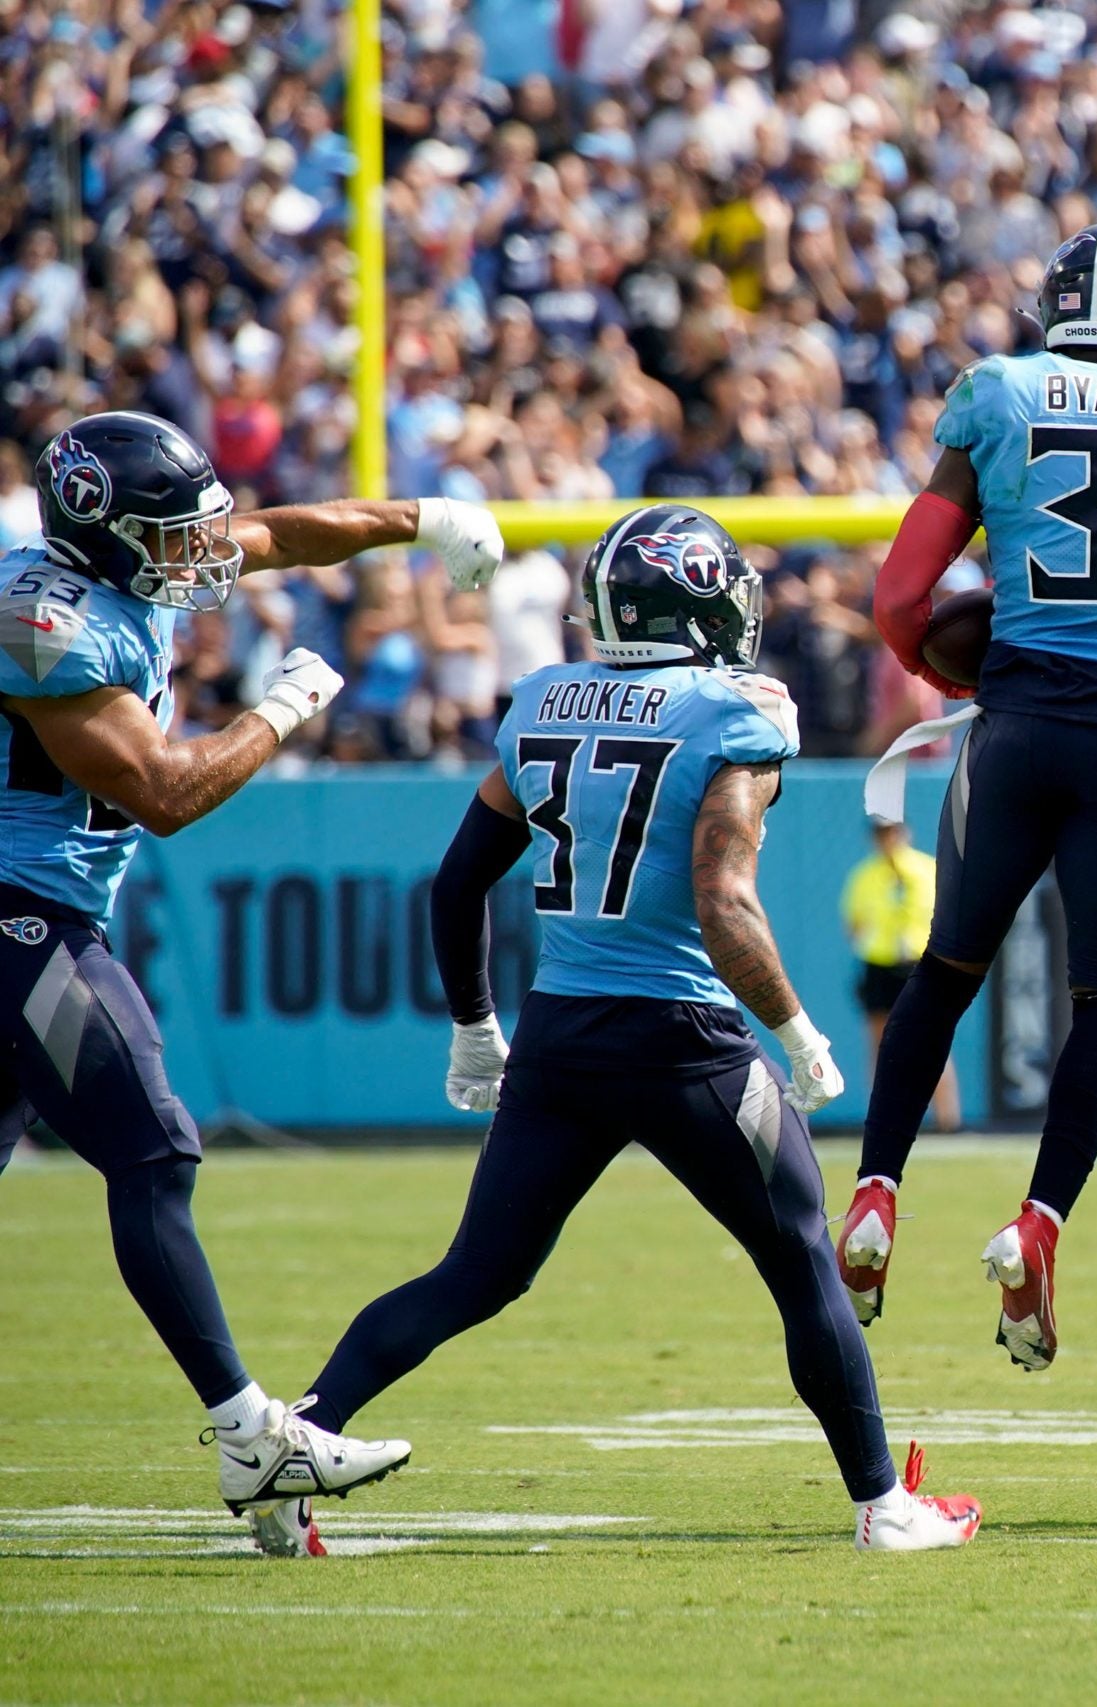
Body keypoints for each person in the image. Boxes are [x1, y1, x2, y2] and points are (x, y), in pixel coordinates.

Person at [289, 506, 979, 1553]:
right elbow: (723, 897)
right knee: (799, 1259)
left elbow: (460, 880)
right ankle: (883, 1506)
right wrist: (796, 1030)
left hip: (562, 1037)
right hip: (683, 1039)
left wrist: (476, 1028)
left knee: (475, 1275)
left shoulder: (543, 702)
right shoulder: (733, 711)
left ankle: (296, 1438)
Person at [0, 409, 503, 1556]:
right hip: (19, 916)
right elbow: (163, 795)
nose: (203, 551)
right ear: (102, 535)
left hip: (37, 910)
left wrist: (417, 520)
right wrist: (281, 708)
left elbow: (274, 535)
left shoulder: (123, 570)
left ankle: (257, 1451)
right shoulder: (40, 619)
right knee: (153, 1151)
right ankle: (248, 1433)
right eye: (170, 533)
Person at [838, 224, 1097, 1372]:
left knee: (945, 971)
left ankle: (875, 1192)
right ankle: (1037, 1224)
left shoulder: (1001, 391)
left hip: (1016, 729)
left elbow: (897, 597)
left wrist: (950, 669)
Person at [838, 817, 958, 1210]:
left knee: (931, 1039)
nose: (886, 839)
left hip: (917, 962)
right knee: (880, 1039)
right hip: (880, 963)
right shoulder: (865, 875)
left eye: (891, 831)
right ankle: (883, 1121)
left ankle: (948, 1120)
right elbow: (853, 924)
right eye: (879, 833)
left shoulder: (925, 868)